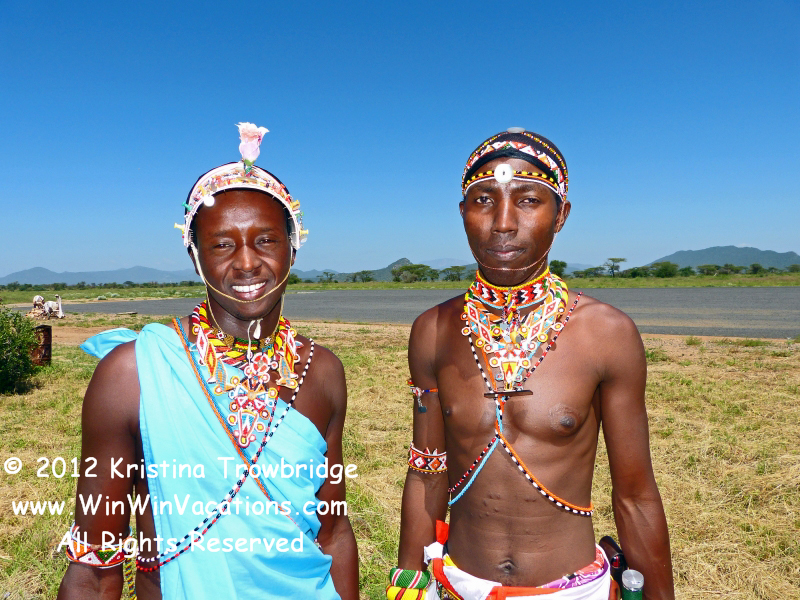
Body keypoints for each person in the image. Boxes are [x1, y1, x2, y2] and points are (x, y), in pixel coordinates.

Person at [57, 123, 358, 600]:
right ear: (195, 256)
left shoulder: (321, 371)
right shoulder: (133, 373)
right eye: (222, 244)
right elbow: (93, 567)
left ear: (293, 247)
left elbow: (334, 532)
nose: (246, 263)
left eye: (266, 240)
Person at [391, 129, 674, 599]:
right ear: (462, 213)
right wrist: (408, 582)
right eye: (483, 200)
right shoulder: (432, 330)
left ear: (560, 215)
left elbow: (636, 495)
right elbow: (426, 471)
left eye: (528, 200)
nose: (503, 223)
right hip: (459, 585)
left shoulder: (606, 333)